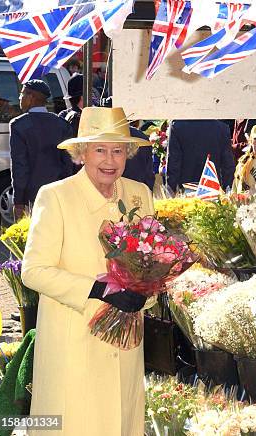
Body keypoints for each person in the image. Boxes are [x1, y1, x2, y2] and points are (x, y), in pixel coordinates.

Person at [21, 107, 153, 436]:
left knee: (121, 422)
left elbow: (153, 261)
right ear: (81, 153)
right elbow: (33, 271)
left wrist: (144, 295)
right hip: (73, 344)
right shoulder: (55, 197)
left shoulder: (139, 194)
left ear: (128, 153)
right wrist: (99, 290)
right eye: (100, 149)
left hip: (124, 344)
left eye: (118, 150)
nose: (110, 160)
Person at [9, 79, 74, 219]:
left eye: (22, 94)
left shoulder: (19, 125)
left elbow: (20, 166)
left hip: (33, 197)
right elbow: (68, 164)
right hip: (59, 194)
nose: (20, 98)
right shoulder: (62, 125)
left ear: (31, 97)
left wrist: (18, 201)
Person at [166, 119, 235, 192]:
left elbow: (173, 162)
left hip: (187, 186)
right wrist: (228, 188)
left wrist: (171, 190)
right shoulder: (222, 128)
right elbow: (227, 163)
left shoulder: (177, 126)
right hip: (213, 185)